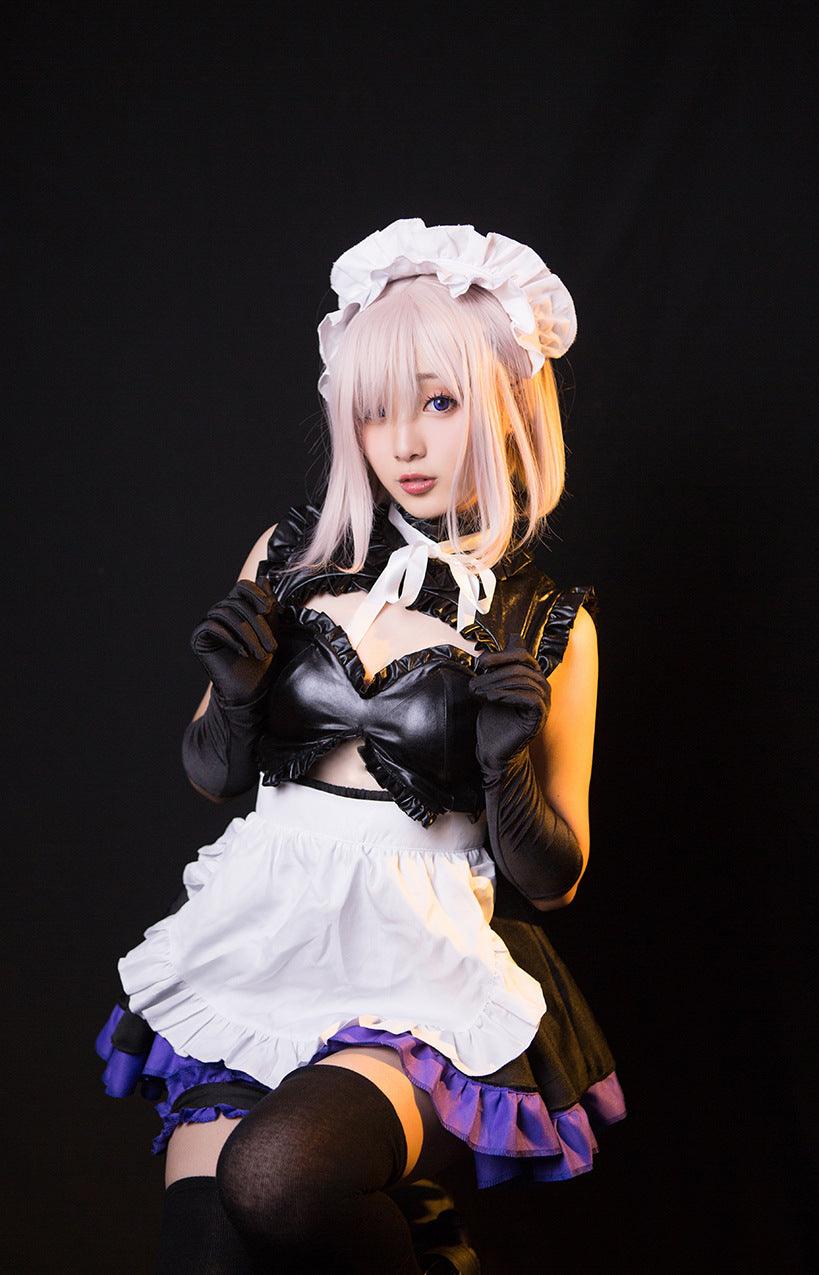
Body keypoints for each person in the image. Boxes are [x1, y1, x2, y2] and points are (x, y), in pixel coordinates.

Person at [95, 217, 627, 1274]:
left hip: (419, 963)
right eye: (376, 410)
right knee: (206, 1248)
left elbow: (554, 880)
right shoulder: (291, 554)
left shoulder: (547, 622)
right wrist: (234, 700)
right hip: (265, 933)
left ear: (507, 402)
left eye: (438, 402)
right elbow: (211, 774)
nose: (406, 444)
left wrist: (504, 768)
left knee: (277, 1178)